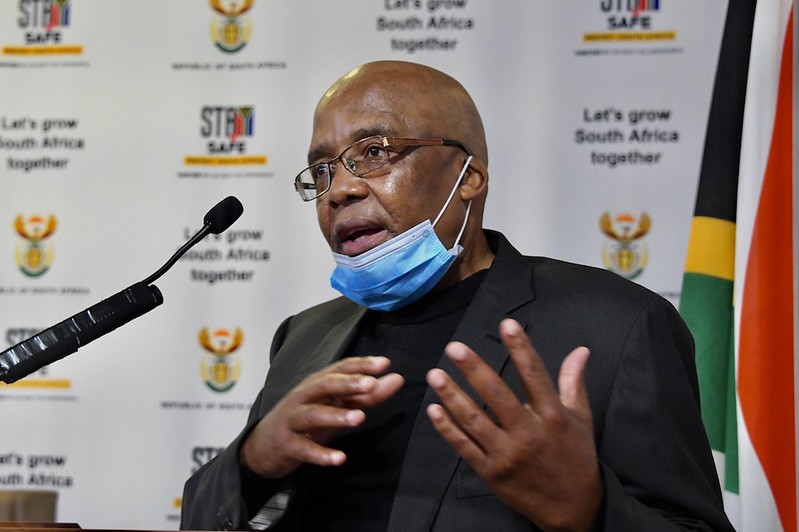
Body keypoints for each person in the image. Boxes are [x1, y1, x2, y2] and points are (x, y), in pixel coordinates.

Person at [180, 60, 734, 531]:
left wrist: (590, 509)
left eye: (375, 151)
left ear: (469, 176)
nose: (339, 190)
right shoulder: (304, 336)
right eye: (322, 169)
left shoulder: (615, 325)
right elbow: (200, 519)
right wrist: (252, 462)